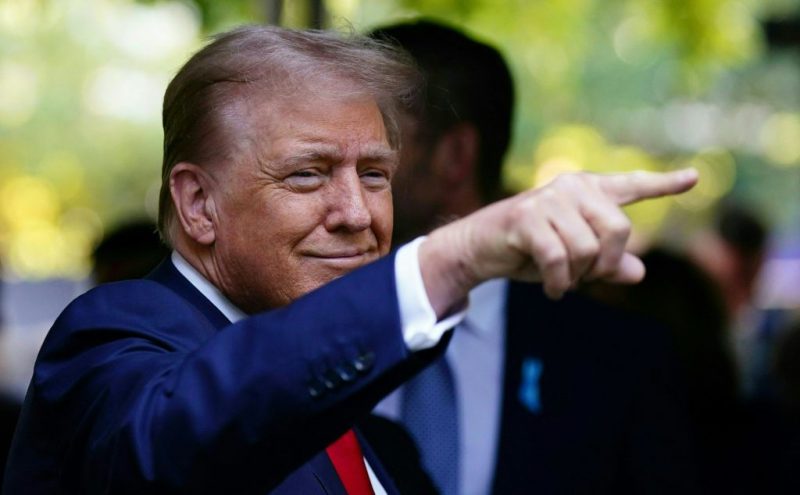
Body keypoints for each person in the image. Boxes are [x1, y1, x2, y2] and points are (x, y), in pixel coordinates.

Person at [2, 25, 697, 495]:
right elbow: (176, 442)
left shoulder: (380, 442)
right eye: (307, 175)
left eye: (374, 174)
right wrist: (450, 260)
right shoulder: (113, 339)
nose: (357, 213)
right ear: (197, 204)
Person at [371, 20, 698, 495]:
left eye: (380, 139)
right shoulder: (306, 328)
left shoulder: (617, 361)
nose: (352, 166)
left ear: (455, 155)